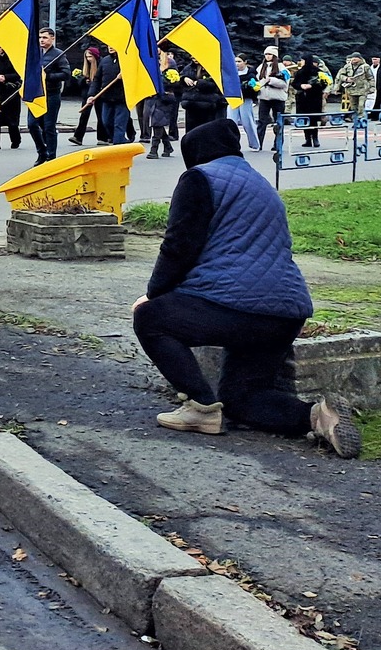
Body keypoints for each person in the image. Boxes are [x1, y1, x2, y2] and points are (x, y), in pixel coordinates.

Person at [132, 118, 361, 457]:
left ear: (194, 153)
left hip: (235, 305)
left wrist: (153, 295)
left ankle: (201, 408)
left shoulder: (200, 178)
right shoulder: (260, 184)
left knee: (151, 319)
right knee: (243, 398)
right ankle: (316, 416)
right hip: (284, 313)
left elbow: (179, 245)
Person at [31, 29, 69, 163]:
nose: (42, 40)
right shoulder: (34, 53)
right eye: (40, 37)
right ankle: (42, 151)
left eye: (45, 37)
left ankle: (51, 156)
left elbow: (66, 74)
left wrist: (48, 77)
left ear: (52, 38)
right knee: (32, 124)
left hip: (51, 95)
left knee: (48, 127)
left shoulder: (58, 55)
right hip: (35, 94)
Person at [143, 50, 183, 159]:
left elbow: (173, 82)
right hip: (152, 97)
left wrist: (161, 75)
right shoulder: (150, 62)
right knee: (157, 122)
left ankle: (153, 150)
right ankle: (167, 146)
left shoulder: (169, 62)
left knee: (157, 122)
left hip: (165, 98)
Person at [89, 46, 129, 147]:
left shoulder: (127, 60)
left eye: (113, 44)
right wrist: (91, 94)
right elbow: (97, 79)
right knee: (106, 122)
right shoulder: (105, 61)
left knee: (119, 125)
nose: (110, 47)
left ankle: (118, 146)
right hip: (106, 98)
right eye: (109, 44)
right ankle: (121, 139)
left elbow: (135, 76)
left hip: (122, 98)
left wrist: (126, 76)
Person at [0, 51, 23, 151]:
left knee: (12, 120)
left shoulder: (13, 59)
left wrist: (6, 77)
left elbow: (19, 74)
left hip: (11, 93)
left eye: (0, 47)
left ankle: (15, 140)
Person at [292, 56, 329, 148]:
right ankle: (307, 139)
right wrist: (301, 85)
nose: (301, 62)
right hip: (302, 99)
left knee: (313, 119)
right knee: (304, 119)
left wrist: (312, 86)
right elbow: (294, 83)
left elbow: (324, 83)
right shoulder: (299, 72)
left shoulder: (318, 72)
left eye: (302, 60)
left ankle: (315, 138)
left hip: (314, 99)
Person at [254, 49, 288, 149]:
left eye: (270, 54)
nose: (268, 56)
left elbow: (284, 83)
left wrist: (271, 81)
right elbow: (259, 80)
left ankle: (277, 144)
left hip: (278, 98)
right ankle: (258, 144)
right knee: (261, 121)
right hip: (264, 97)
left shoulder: (282, 68)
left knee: (278, 122)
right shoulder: (261, 67)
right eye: (266, 54)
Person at [67, 46, 101, 144]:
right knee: (84, 116)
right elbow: (79, 83)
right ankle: (78, 137)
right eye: (87, 57)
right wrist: (82, 79)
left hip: (98, 93)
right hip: (86, 94)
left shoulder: (100, 64)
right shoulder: (85, 66)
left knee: (101, 116)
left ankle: (102, 137)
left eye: (90, 57)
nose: (89, 59)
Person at [233, 55, 261, 149]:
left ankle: (255, 143)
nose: (237, 64)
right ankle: (232, 145)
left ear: (245, 62)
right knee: (231, 122)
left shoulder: (251, 74)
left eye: (239, 61)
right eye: (236, 61)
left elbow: (255, 88)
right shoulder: (232, 73)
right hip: (232, 99)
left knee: (247, 122)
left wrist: (251, 87)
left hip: (246, 99)